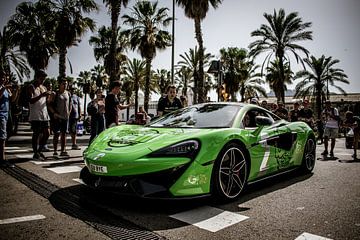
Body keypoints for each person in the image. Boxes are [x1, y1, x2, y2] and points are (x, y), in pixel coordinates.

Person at [28, 69, 51, 160]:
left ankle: (39, 150)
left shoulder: (43, 87)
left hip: (44, 114)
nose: (42, 81)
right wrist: (42, 95)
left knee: (47, 133)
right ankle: (35, 152)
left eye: (44, 79)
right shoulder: (31, 87)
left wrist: (50, 97)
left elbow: (47, 102)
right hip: (35, 115)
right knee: (36, 134)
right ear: (36, 77)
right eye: (41, 79)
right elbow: (31, 100)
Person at [48, 79, 71, 158]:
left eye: (66, 84)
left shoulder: (68, 93)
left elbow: (70, 104)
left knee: (64, 134)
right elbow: (49, 105)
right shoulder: (55, 93)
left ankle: (63, 150)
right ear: (59, 84)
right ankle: (55, 151)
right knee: (56, 134)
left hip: (65, 117)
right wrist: (54, 113)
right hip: (57, 117)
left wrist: (69, 112)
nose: (65, 85)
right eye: (63, 84)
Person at [0, 73, 14, 167]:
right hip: (1, 114)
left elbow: (12, 99)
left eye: (6, 78)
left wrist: (17, 91)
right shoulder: (2, 88)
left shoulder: (5, 89)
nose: (4, 79)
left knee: (6, 134)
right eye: (3, 77)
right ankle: (2, 159)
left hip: (6, 114)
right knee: (2, 138)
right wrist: (4, 87)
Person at [69, 86, 81, 150]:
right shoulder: (68, 95)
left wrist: (80, 114)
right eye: (71, 89)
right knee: (72, 130)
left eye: (74, 90)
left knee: (74, 131)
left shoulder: (76, 97)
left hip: (75, 116)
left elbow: (79, 105)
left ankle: (74, 144)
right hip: (69, 116)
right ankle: (73, 144)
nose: (73, 91)